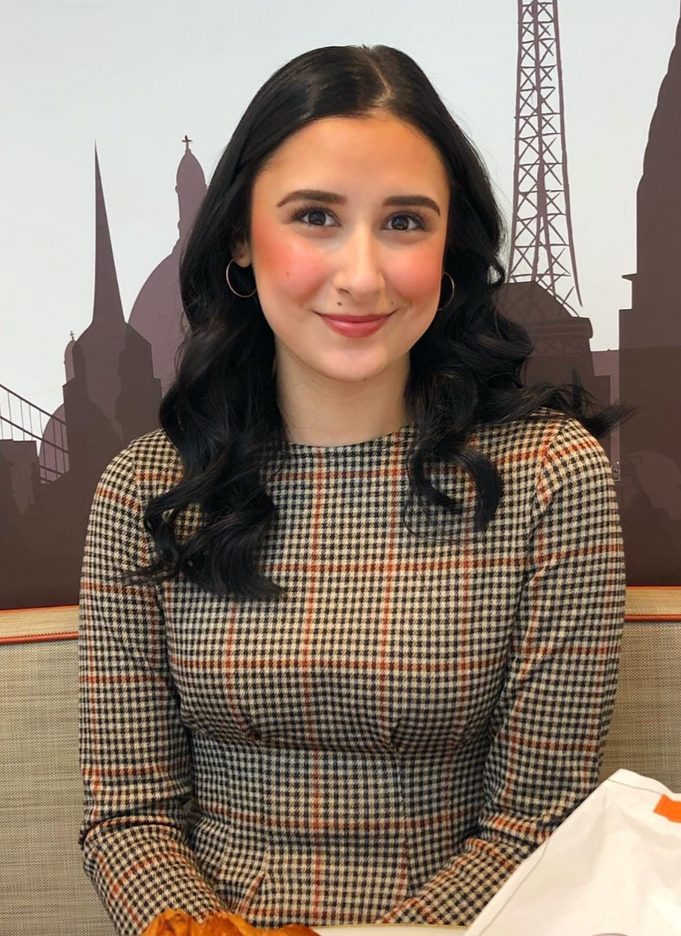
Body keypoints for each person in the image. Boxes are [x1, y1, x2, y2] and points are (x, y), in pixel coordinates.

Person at [78, 43, 635, 936]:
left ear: (449, 249)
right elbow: (127, 815)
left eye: (405, 222)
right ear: (239, 239)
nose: (362, 275)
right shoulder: (145, 488)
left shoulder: (549, 476)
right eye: (314, 217)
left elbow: (535, 822)